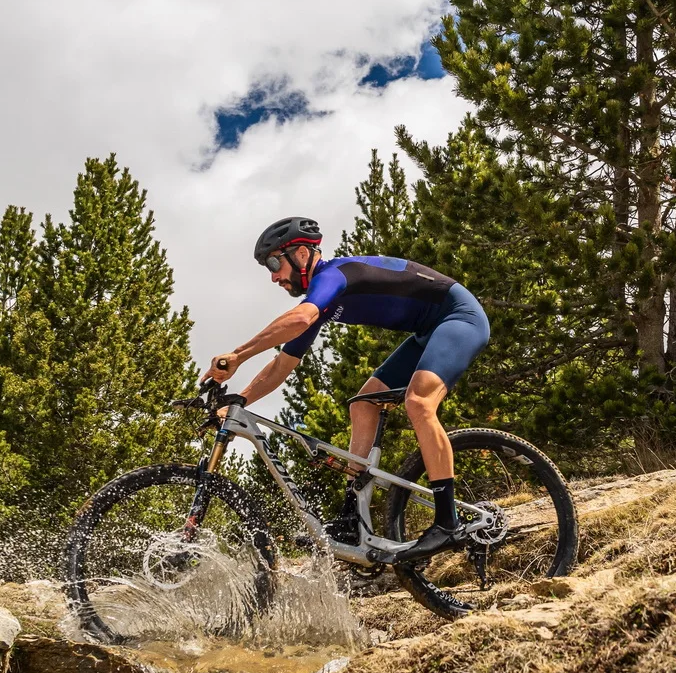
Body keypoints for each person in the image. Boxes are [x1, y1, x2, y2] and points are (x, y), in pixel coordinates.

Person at [203, 216, 490, 561]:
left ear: (302, 253)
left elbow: (298, 319)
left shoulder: (333, 276)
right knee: (363, 404)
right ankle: (353, 516)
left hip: (459, 318)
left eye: (274, 263)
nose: (274, 275)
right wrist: (239, 400)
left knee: (419, 403)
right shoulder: (319, 305)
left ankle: (447, 522)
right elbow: (283, 364)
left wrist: (237, 355)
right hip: (428, 331)